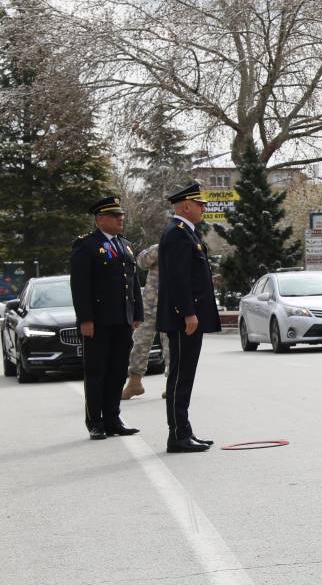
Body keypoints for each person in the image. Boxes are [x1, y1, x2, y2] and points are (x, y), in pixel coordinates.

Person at [70, 196, 144, 440]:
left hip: (122, 319)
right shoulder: (86, 245)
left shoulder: (125, 245)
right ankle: (95, 421)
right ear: (100, 219)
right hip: (99, 321)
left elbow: (133, 284)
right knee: (96, 372)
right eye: (114, 215)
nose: (120, 218)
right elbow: (80, 286)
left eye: (121, 215)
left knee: (117, 371)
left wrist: (137, 314)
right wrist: (86, 319)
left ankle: (113, 418)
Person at [157, 183, 220, 453]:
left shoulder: (188, 234)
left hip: (189, 316)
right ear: (185, 206)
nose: (203, 207)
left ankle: (184, 430)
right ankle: (177, 435)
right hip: (183, 318)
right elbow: (178, 278)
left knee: (186, 376)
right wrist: (188, 313)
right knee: (180, 377)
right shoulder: (177, 234)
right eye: (199, 203)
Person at [122, 244, 168, 400]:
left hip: (171, 306)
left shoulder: (184, 249)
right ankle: (135, 383)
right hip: (149, 306)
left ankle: (173, 383)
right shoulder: (159, 248)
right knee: (139, 343)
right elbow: (140, 262)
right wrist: (158, 250)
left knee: (171, 346)